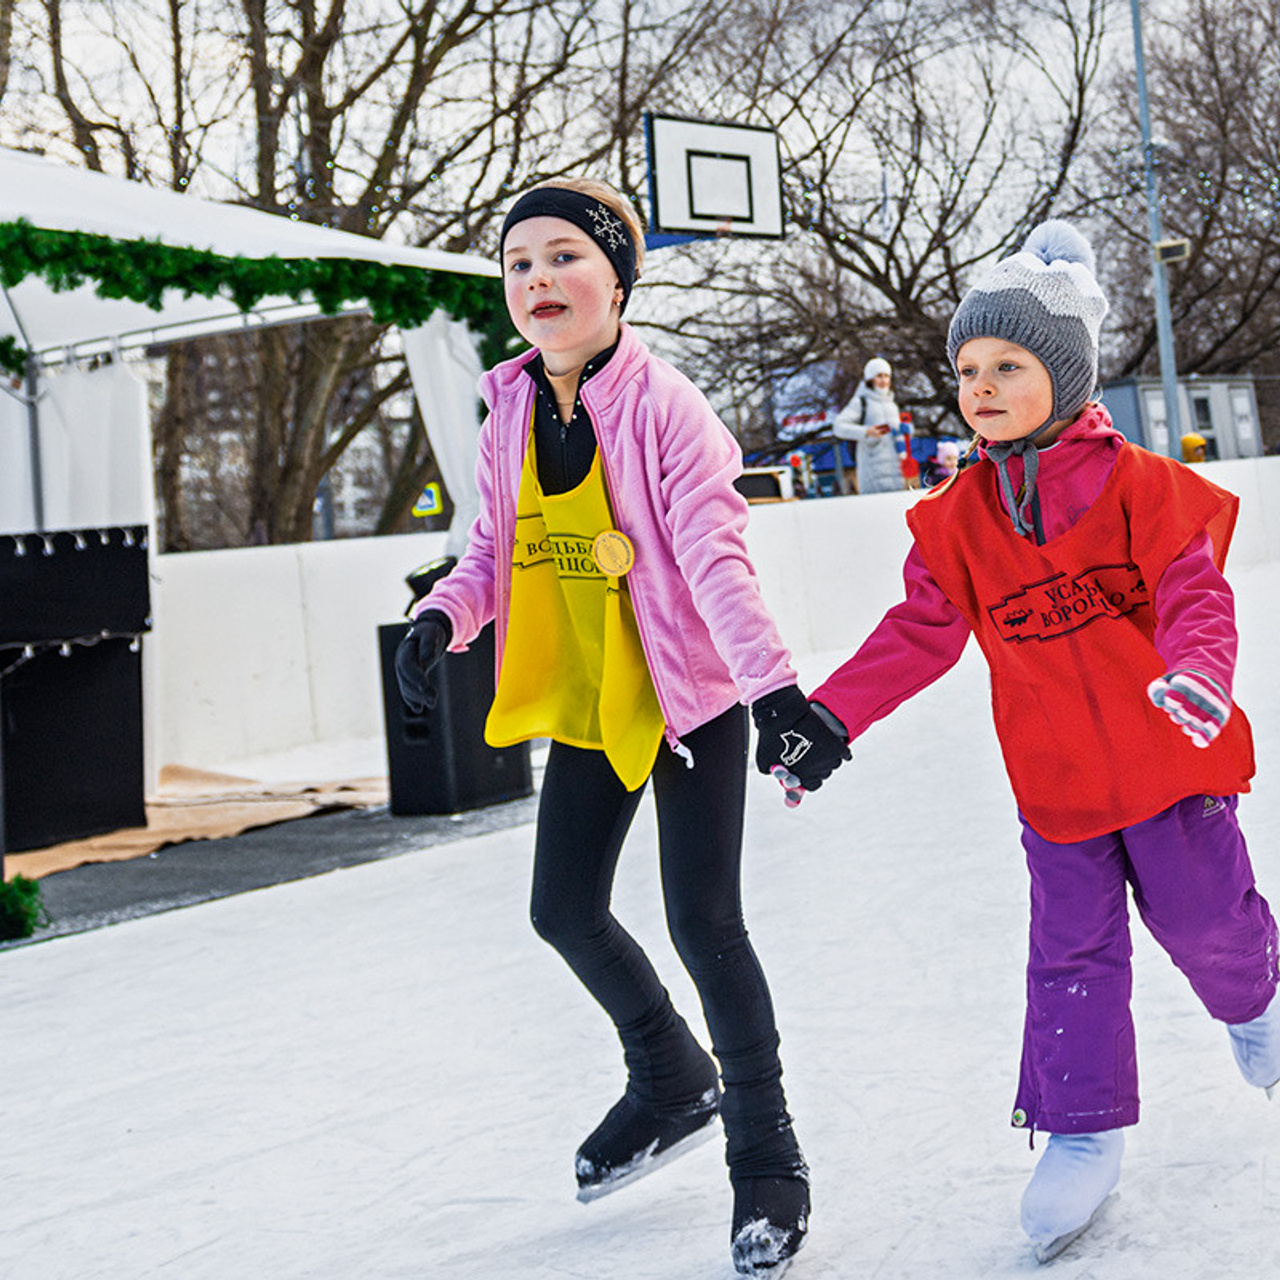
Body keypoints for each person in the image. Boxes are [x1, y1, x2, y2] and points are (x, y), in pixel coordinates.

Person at [755, 221, 1280, 1262]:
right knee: (1069, 963)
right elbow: (917, 632)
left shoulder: (1138, 485)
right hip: (1057, 791)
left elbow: (1193, 597)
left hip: (1169, 767)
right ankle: (1079, 1130)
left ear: (1066, 374)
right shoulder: (957, 520)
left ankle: (1257, 1003)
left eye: (1006, 364)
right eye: (964, 368)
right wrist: (828, 715)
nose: (980, 384)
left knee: (1205, 923)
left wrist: (1198, 678)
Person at [394, 177, 822, 1277]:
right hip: (591, 692)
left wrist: (771, 690)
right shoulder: (509, 409)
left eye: (563, 257)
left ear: (616, 277)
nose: (538, 279)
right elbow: (494, 544)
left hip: (690, 697)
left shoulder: (667, 406)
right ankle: (669, 1076)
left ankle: (764, 1152)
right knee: (562, 908)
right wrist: (442, 613)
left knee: (704, 924)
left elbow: (716, 559)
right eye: (518, 263)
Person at [833, 356, 905, 493]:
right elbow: (838, 426)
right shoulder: (861, 402)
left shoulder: (892, 404)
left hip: (896, 470)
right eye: (879, 376)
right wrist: (866, 432)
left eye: (886, 376)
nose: (883, 380)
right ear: (870, 379)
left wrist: (906, 430)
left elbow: (897, 435)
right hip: (872, 469)